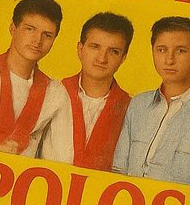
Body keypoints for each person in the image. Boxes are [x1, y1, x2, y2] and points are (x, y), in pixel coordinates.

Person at [113, 16, 190, 187]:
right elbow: (118, 170)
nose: (169, 60)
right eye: (162, 50)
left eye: (181, 51)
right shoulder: (138, 104)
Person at [0, 0, 69, 157]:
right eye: (30, 29)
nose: (37, 41)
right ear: (13, 29)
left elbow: (52, 157)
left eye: (47, 35)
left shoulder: (55, 92)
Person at [42, 12, 133, 170]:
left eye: (114, 51)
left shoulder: (131, 109)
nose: (102, 59)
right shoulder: (52, 92)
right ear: (80, 49)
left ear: (123, 58)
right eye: (95, 47)